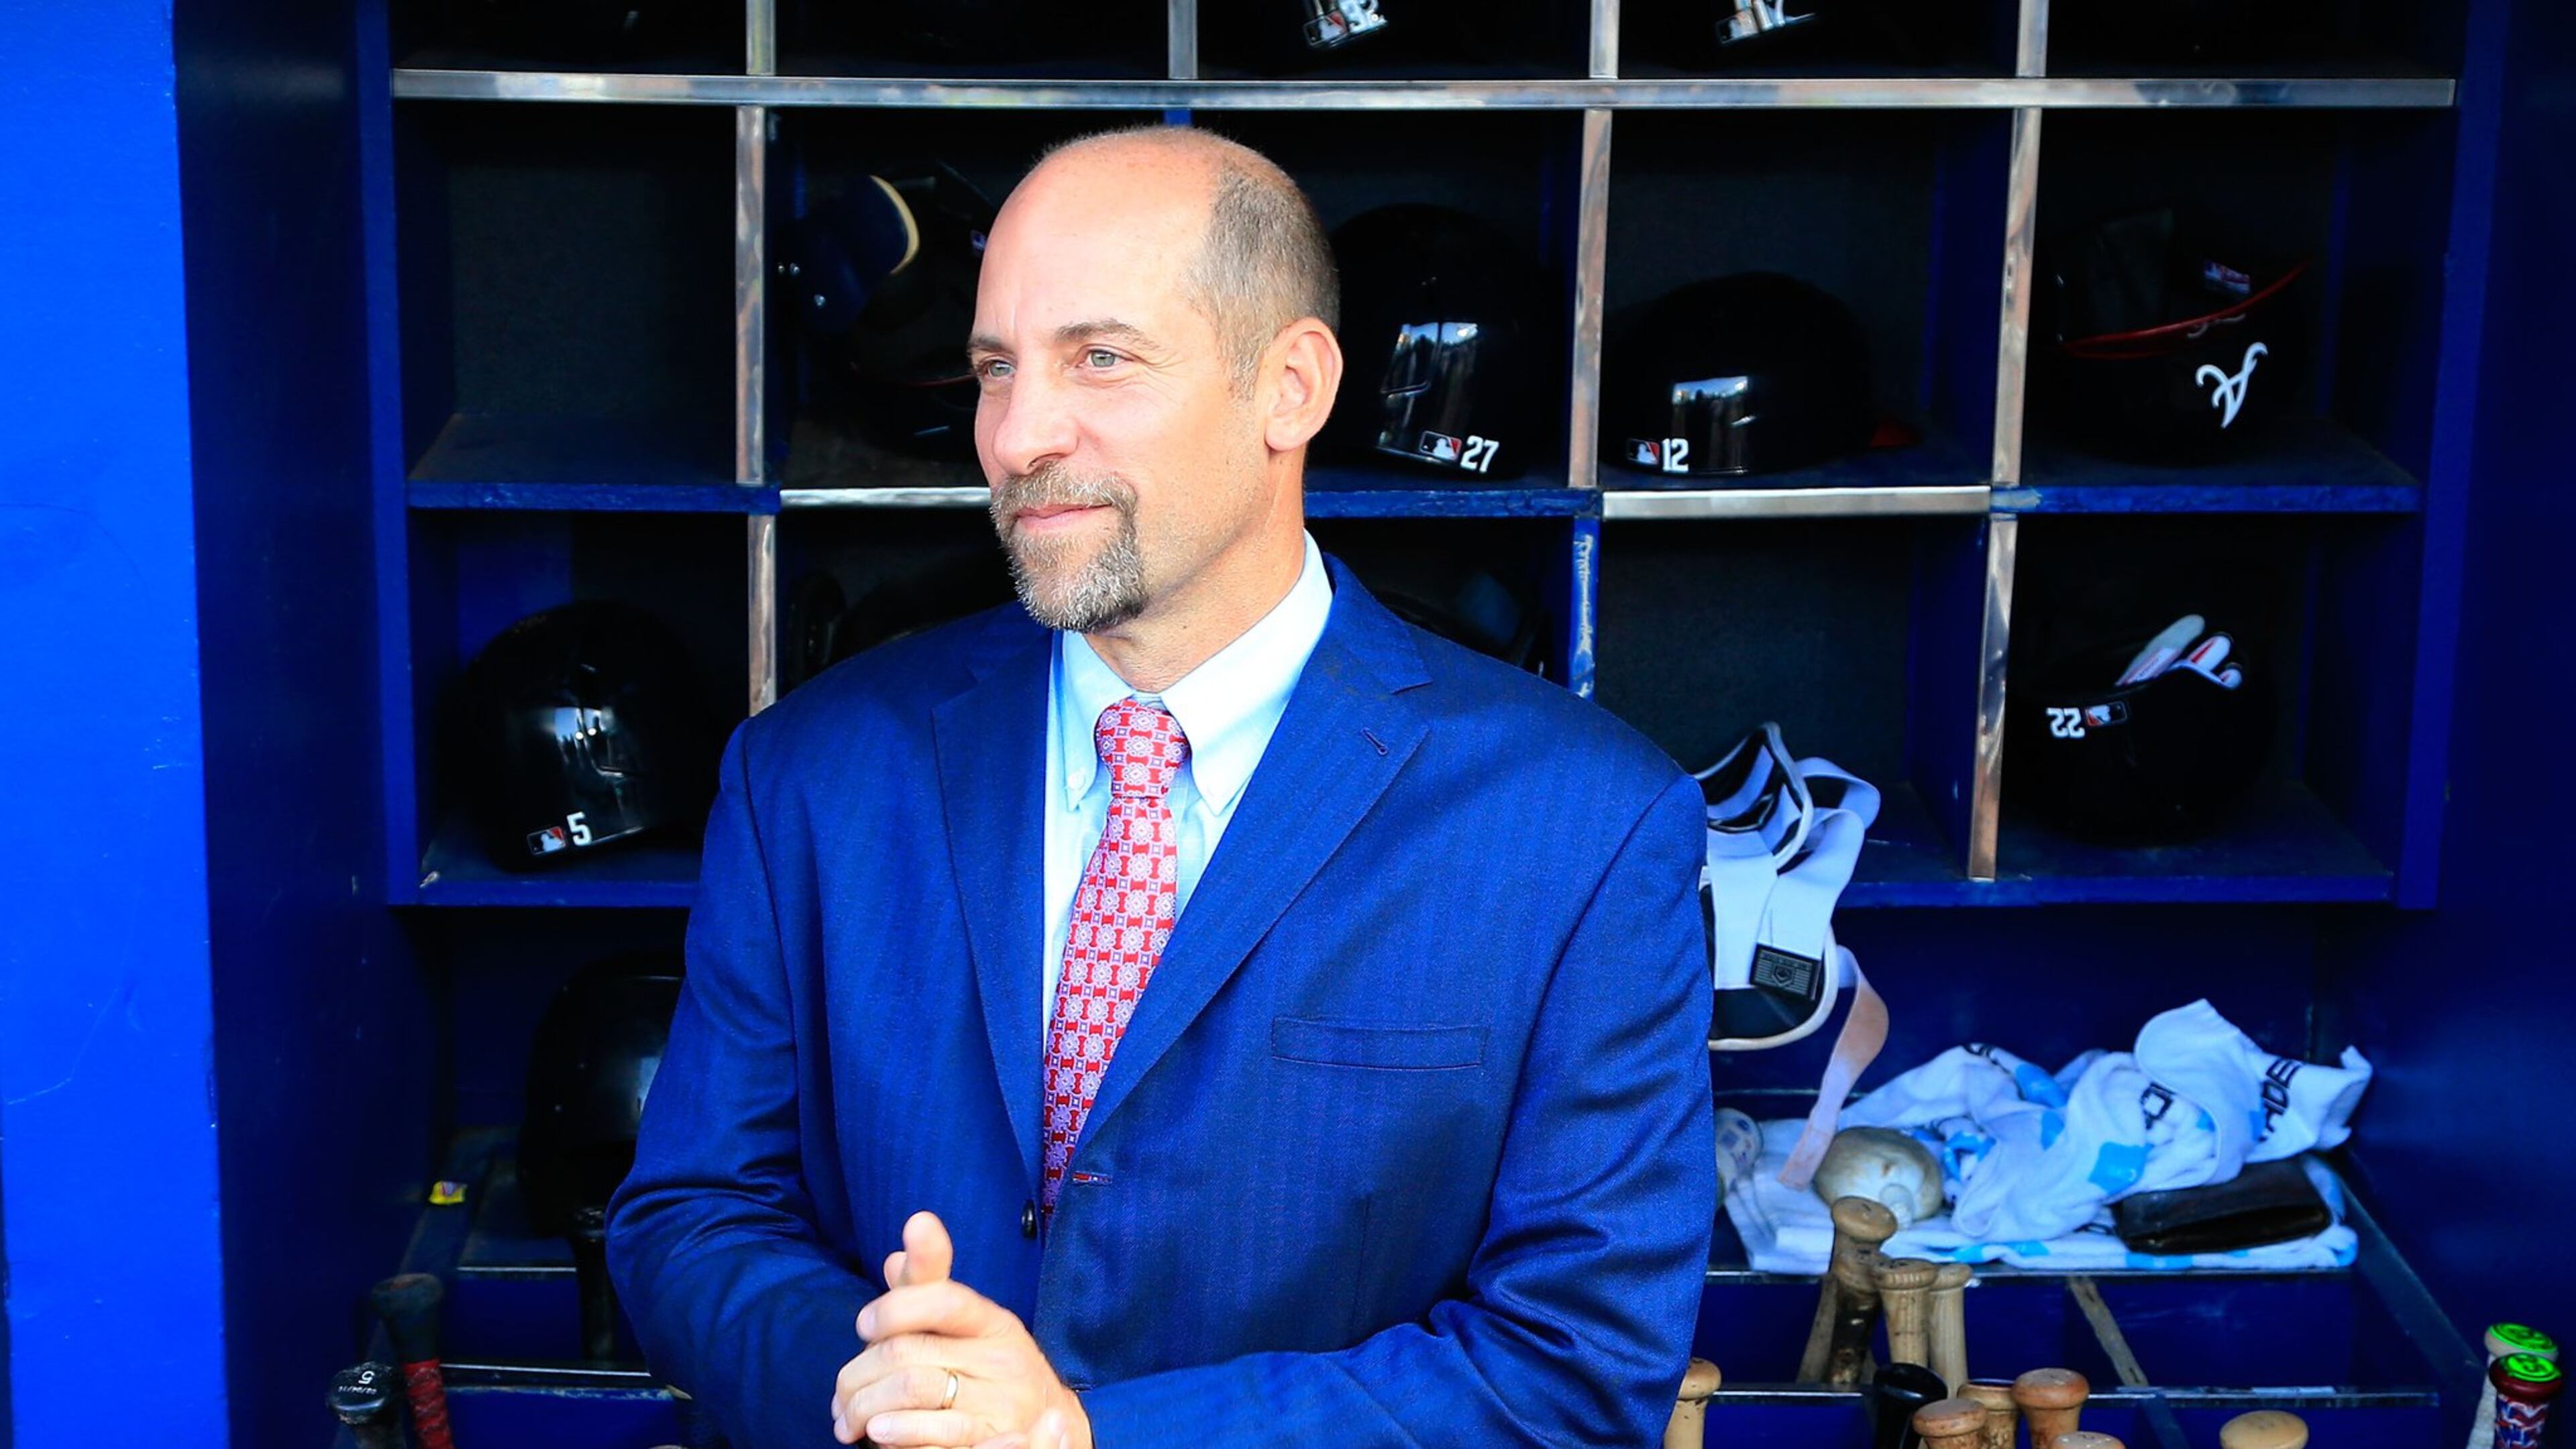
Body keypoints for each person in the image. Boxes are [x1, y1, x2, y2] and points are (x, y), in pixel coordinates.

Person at [606, 125, 1715, 1449]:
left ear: (1290, 387)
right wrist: (890, 1394)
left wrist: (1077, 1435)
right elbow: (691, 1218)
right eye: (996, 369)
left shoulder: (1582, 828)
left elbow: (1574, 1367)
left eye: (1101, 359)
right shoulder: (813, 775)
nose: (1019, 436)